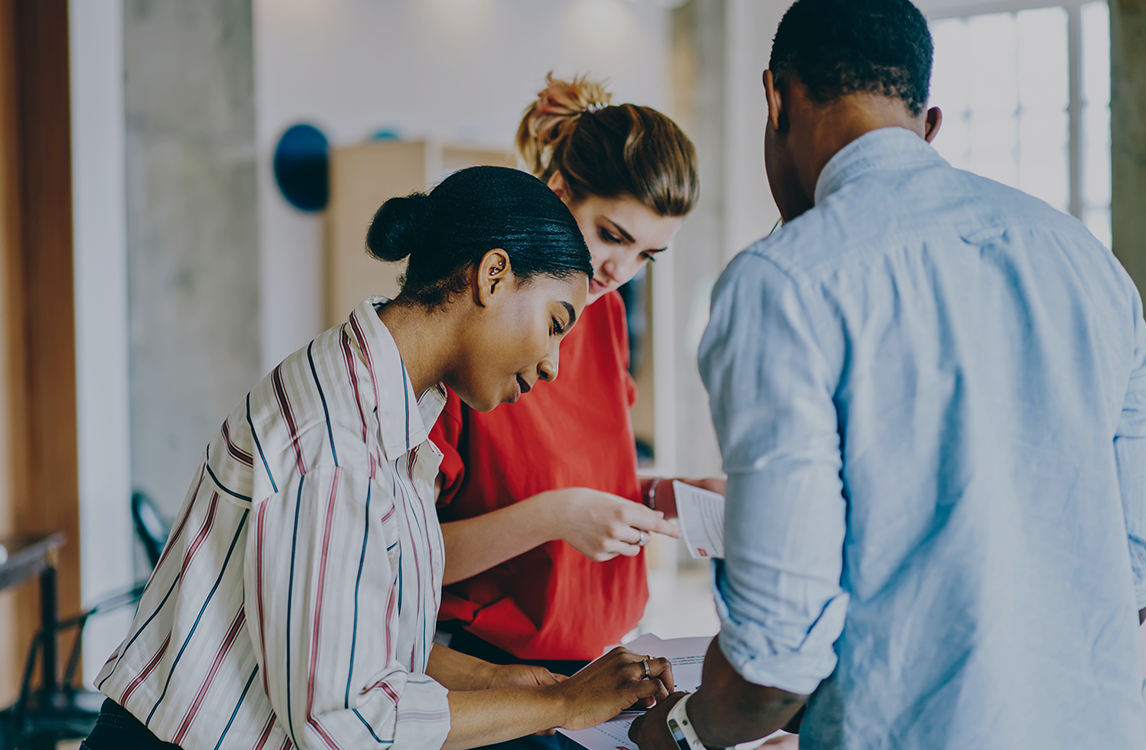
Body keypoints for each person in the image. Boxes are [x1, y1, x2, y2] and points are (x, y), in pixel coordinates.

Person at [630, 0, 1146, 748]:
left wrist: (672, 731)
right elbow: (1128, 555)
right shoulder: (1088, 265)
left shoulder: (782, 283)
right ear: (927, 123)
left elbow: (774, 670)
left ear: (776, 98)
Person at [84, 166, 675, 750]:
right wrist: (560, 705)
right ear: (493, 276)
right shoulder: (337, 441)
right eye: (553, 325)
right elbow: (346, 723)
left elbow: (362, 642)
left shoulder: (389, 407)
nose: (551, 363)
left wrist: (498, 681)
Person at [432, 75, 720, 675]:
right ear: (558, 192)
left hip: (613, 652)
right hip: (498, 673)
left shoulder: (606, 311)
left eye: (646, 255)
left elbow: (589, 474)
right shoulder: (470, 321)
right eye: (612, 236)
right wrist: (557, 515)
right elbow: (406, 557)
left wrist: (661, 493)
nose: (621, 270)